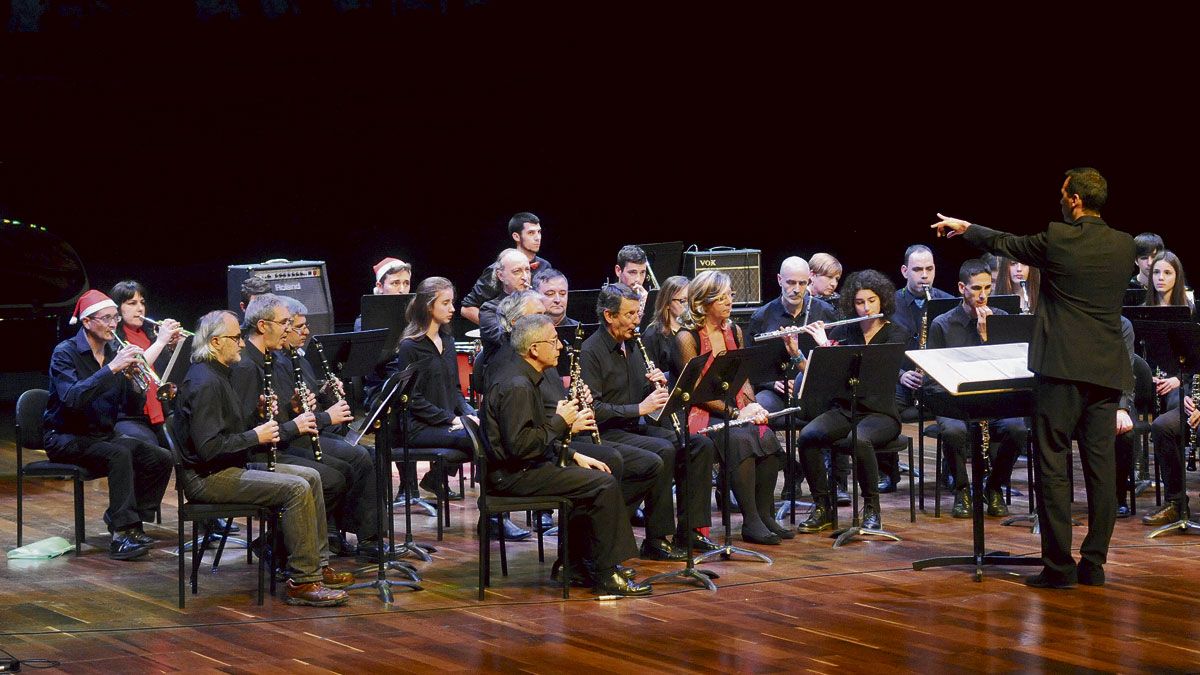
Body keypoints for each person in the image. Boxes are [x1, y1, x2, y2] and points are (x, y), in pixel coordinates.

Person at [933, 167, 1135, 589]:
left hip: (1061, 368)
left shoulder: (1059, 238)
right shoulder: (1124, 245)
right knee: (1100, 470)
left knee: (1053, 466)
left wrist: (966, 227)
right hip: (1105, 370)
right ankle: (1093, 565)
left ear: (1076, 199)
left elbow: (1006, 242)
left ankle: (1059, 568)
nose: (1060, 200)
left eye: (1063, 193)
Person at [175, 309, 351, 606]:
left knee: (312, 475)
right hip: (208, 478)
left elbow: (225, 431)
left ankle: (317, 567)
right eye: (235, 339)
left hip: (226, 466)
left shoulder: (217, 373)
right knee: (296, 488)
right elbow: (209, 449)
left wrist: (256, 418)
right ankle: (303, 581)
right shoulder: (205, 382)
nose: (242, 344)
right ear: (216, 342)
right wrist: (256, 436)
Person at [485, 313, 651, 596]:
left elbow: (531, 438)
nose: (560, 346)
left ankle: (582, 562)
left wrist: (573, 454)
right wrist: (561, 422)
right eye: (553, 341)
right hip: (513, 475)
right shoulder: (517, 386)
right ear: (534, 349)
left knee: (600, 470)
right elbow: (521, 447)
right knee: (603, 484)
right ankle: (606, 573)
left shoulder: (526, 376)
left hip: (526, 466)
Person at [581, 283, 719, 557]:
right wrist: (640, 408)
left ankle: (690, 531)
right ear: (609, 316)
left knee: (697, 445)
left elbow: (644, 398)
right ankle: (656, 538)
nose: (637, 321)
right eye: (630, 314)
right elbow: (593, 409)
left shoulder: (632, 345)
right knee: (665, 449)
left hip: (633, 428)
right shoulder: (591, 351)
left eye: (638, 314)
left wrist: (658, 387)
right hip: (605, 433)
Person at [42, 290, 173, 560]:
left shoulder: (114, 351)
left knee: (159, 457)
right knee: (119, 453)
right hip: (65, 437)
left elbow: (127, 404)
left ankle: (130, 521)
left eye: (115, 318)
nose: (113, 324)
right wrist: (111, 369)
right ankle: (121, 535)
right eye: (106, 319)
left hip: (101, 434)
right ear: (87, 322)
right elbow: (72, 398)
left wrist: (134, 380)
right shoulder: (64, 353)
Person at [676, 271, 789, 544]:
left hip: (733, 408)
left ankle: (765, 515)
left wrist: (754, 407)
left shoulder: (734, 330)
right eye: (722, 297)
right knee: (739, 438)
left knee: (767, 437)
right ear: (703, 302)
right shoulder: (686, 337)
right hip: (700, 413)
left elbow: (744, 377)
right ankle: (750, 521)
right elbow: (695, 391)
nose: (729, 302)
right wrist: (737, 414)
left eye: (730, 296)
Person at [795, 270, 906, 533]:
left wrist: (827, 346)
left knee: (859, 439)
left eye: (871, 301)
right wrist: (801, 350)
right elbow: (829, 379)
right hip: (846, 409)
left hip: (881, 413)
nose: (866, 308)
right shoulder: (847, 331)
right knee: (808, 436)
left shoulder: (896, 333)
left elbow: (875, 373)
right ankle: (823, 506)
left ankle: (871, 509)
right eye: (859, 302)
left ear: (882, 301)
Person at [229, 294, 348, 520]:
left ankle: (314, 541)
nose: (288, 329)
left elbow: (268, 416)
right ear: (263, 326)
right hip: (257, 454)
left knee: (342, 471)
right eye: (285, 323)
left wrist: (293, 408)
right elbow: (243, 428)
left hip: (277, 444)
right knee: (334, 479)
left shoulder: (270, 359)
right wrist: (292, 422)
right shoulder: (246, 366)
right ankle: (284, 545)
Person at [276, 297, 379, 555]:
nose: (306, 331)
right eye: (298, 326)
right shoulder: (277, 363)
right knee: (355, 459)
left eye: (305, 325)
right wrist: (326, 416)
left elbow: (307, 400)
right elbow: (289, 416)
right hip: (294, 439)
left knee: (368, 453)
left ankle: (357, 534)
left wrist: (324, 395)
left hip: (313, 430)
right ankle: (354, 537)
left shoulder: (299, 357)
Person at [926, 259, 1027, 519]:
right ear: (962, 287)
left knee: (1017, 429)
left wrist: (987, 337)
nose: (982, 295)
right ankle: (962, 489)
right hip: (956, 400)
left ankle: (993, 487)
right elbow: (933, 378)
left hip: (994, 400)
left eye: (987, 288)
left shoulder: (1001, 319)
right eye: (975, 288)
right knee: (952, 429)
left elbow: (1010, 368)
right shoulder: (942, 324)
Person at [386, 277, 475, 502]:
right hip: (418, 427)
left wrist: (468, 413)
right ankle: (493, 513)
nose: (452, 308)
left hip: (444, 421)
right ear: (428, 306)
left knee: (488, 426)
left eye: (452, 302)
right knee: (472, 437)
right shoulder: (410, 346)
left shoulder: (448, 341)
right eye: (445, 303)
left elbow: (455, 389)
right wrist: (451, 420)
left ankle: (436, 477)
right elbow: (412, 399)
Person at [748, 256, 838, 413]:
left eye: (802, 283)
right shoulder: (761, 317)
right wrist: (772, 382)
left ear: (809, 280)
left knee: (833, 412)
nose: (797, 289)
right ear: (779, 280)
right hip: (776, 391)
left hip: (813, 389)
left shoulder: (825, 312)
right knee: (760, 408)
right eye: (790, 282)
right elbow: (751, 365)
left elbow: (835, 363)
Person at [110, 279, 185, 446]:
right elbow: (136, 367)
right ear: (118, 310)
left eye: (142, 302)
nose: (140, 308)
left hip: (157, 409)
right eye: (132, 303)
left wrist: (172, 345)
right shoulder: (114, 340)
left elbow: (161, 373)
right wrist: (161, 341)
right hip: (129, 415)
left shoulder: (148, 334)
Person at [893, 245, 955, 430]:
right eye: (917, 269)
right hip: (902, 382)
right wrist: (901, 375)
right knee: (884, 412)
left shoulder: (949, 303)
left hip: (936, 384)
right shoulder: (888, 304)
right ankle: (891, 459)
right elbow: (879, 349)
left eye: (929, 269)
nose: (925, 275)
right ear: (905, 271)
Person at [461, 212, 551, 324]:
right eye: (531, 233)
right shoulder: (498, 269)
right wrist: (497, 329)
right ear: (516, 236)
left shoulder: (545, 266)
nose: (537, 237)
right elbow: (467, 308)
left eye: (539, 232)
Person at [353, 257, 412, 331]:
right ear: (380, 286)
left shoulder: (415, 317)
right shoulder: (365, 321)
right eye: (395, 283)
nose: (402, 289)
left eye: (406, 283)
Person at [612, 245, 651, 317]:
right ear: (618, 271)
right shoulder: (609, 299)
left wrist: (650, 305)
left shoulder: (644, 298)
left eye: (642, 272)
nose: (638, 280)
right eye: (633, 272)